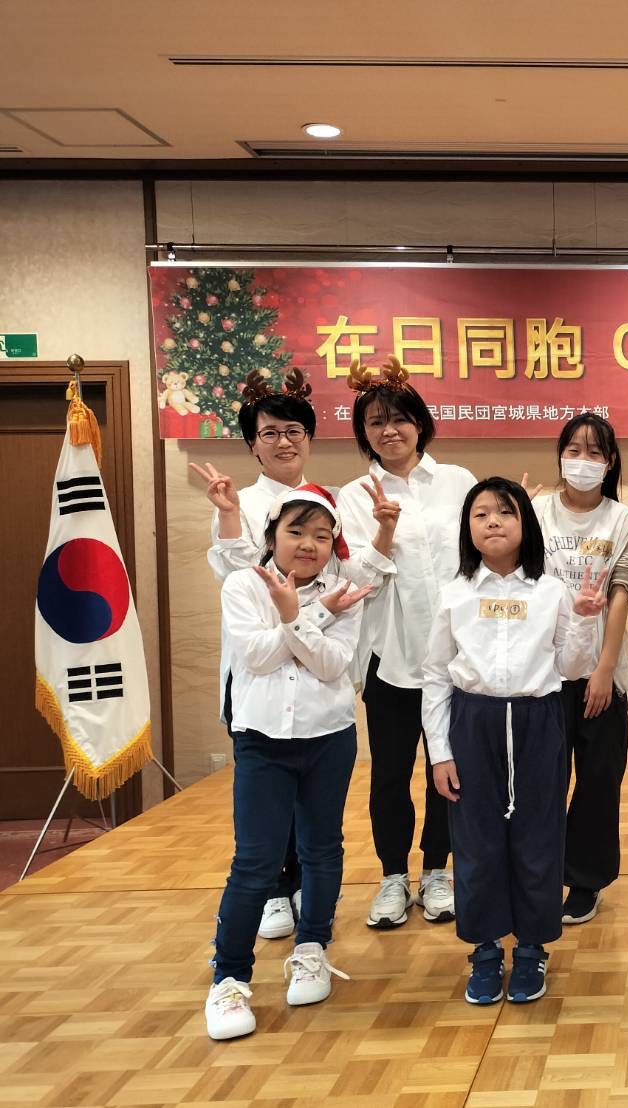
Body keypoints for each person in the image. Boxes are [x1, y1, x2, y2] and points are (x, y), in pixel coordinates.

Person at [421, 478, 608, 1006]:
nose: (493, 522)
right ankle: (484, 950)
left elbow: (572, 667)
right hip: (472, 722)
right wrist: (440, 752)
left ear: (526, 524)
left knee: (538, 837)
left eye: (505, 512)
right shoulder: (455, 593)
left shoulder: (551, 591)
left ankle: (530, 948)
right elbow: (435, 675)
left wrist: (586, 620)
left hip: (538, 721)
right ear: (468, 528)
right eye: (481, 514)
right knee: (476, 840)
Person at [203, 486, 372, 1040]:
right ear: (272, 535)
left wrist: (299, 617)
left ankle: (312, 949)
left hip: (329, 736)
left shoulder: (346, 589)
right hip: (262, 739)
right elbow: (254, 656)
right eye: (296, 531)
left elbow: (331, 665)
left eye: (322, 535)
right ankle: (229, 979)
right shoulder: (243, 585)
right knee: (255, 861)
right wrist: (313, 615)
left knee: (321, 848)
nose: (309, 544)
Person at [337, 357, 477, 929]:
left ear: (420, 424)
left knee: (449, 768)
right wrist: (384, 531)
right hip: (389, 654)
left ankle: (439, 871)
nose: (388, 430)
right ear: (363, 433)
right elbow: (356, 577)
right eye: (374, 422)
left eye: (398, 418)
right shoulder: (353, 495)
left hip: (457, 656)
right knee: (390, 773)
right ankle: (393, 876)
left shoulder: (458, 482)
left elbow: (478, 557)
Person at [189, 367, 322, 943]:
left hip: (313, 662)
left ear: (309, 439)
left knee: (313, 786)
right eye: (269, 433)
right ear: (252, 445)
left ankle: (304, 883)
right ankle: (271, 887)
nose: (283, 441)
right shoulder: (237, 502)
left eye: (293, 431)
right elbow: (236, 573)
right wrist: (226, 515)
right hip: (258, 664)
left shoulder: (325, 503)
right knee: (265, 789)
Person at [532, 413, 628, 925]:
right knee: (544, 781)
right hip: (542, 674)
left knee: (599, 780)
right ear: (560, 455)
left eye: (595, 452)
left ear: (610, 461)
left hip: (600, 672)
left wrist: (604, 669)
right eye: (573, 450)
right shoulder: (535, 511)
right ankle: (539, 871)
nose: (582, 461)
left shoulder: (624, 520)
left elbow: (621, 596)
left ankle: (584, 879)